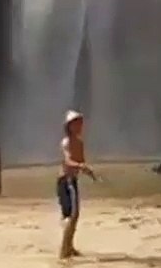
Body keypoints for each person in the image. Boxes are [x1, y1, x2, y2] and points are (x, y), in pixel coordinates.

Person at [57, 110, 97, 260]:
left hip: (72, 181)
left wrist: (89, 172)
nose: (81, 125)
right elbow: (67, 161)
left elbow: (81, 162)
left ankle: (70, 246)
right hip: (65, 181)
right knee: (71, 215)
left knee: (75, 215)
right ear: (69, 126)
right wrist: (81, 166)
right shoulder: (66, 142)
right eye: (77, 122)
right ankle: (63, 250)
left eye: (81, 122)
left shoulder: (80, 143)